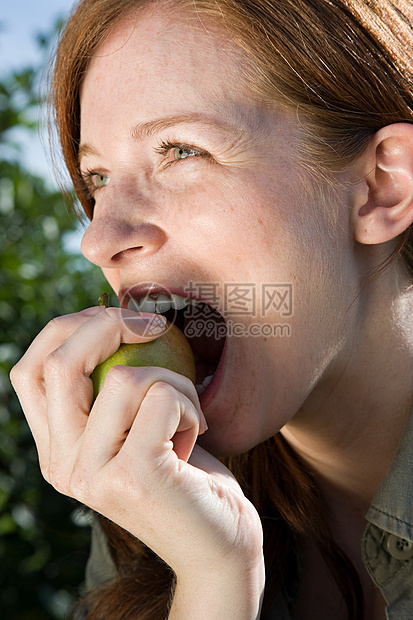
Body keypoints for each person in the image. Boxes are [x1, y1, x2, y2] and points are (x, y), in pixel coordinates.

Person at [10, 0, 413, 617]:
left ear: (384, 185)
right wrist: (212, 576)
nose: (99, 237)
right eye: (97, 177)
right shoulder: (152, 499)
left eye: (180, 151)